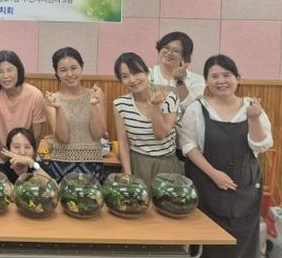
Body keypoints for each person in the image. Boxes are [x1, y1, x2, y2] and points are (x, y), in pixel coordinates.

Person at [179, 55, 273, 258]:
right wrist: (214, 174)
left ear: (237, 78)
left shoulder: (251, 107)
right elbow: (188, 146)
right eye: (214, 76)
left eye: (227, 75)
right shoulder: (197, 108)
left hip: (245, 189)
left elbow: (261, 145)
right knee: (208, 244)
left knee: (243, 244)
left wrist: (254, 118)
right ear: (207, 81)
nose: (221, 81)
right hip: (207, 185)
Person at [112, 52, 182, 186]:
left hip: (166, 164)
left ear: (146, 72)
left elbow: (160, 134)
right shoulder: (120, 104)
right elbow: (123, 142)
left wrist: (155, 106)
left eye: (136, 72)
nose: (132, 80)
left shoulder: (169, 98)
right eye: (125, 76)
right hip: (137, 164)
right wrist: (128, 175)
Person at [44, 47, 107, 182]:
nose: (70, 74)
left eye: (74, 68)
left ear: (82, 67)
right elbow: (63, 138)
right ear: (56, 73)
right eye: (63, 70)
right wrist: (59, 109)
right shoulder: (52, 100)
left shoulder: (96, 95)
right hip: (61, 164)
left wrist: (93, 105)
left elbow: (98, 135)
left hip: (92, 163)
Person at [0, 50, 46, 164]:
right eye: (0, 71)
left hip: (23, 154)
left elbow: (37, 135)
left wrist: (29, 158)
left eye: (10, 70)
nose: (6, 76)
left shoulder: (35, 95)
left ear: (18, 70)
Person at [149, 32, 205, 113]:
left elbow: (193, 111)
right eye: (166, 48)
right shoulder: (147, 74)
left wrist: (179, 81)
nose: (169, 53)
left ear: (184, 57)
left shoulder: (196, 80)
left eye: (176, 51)